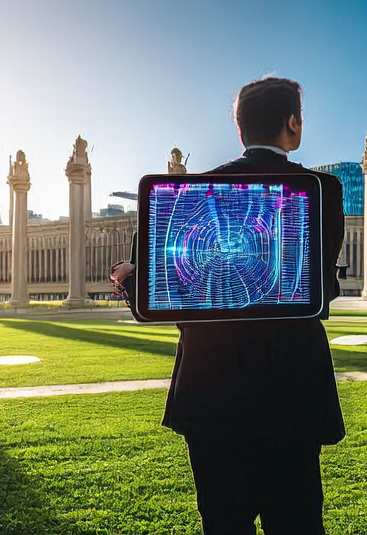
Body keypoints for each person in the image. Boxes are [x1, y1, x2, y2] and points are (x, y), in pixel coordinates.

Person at [111, 77, 345, 534]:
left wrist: (129, 276)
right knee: (297, 522)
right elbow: (320, 286)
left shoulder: (181, 196)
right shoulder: (322, 189)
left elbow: (160, 298)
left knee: (223, 523)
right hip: (291, 392)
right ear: (293, 125)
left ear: (239, 130)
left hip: (211, 392)